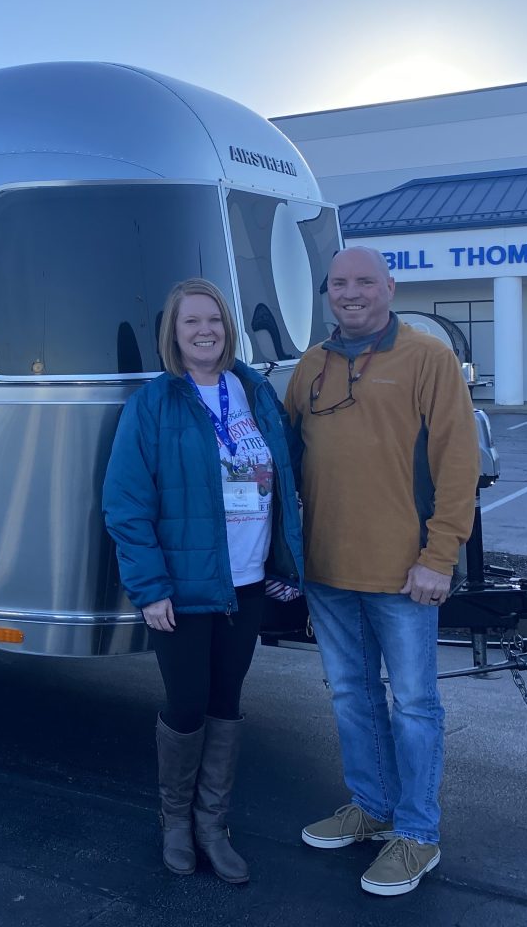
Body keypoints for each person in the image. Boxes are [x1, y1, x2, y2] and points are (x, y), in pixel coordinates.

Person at [284, 246, 477, 897]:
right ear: (328, 293)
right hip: (328, 572)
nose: (352, 293)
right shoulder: (311, 366)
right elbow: (289, 460)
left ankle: (417, 833)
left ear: (390, 288)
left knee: (414, 706)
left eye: (365, 281)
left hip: (405, 574)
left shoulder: (428, 358)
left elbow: (458, 464)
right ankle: (372, 806)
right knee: (351, 695)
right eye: (340, 283)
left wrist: (439, 557)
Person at [103, 278, 305, 884]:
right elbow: (126, 503)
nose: (204, 330)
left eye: (213, 319)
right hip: (183, 588)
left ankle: (213, 826)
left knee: (226, 702)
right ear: (173, 332)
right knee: (187, 705)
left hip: (246, 583)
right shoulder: (153, 404)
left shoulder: (255, 391)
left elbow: (287, 476)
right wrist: (150, 588)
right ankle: (175, 822)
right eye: (191, 321)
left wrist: (286, 562)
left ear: (228, 327)